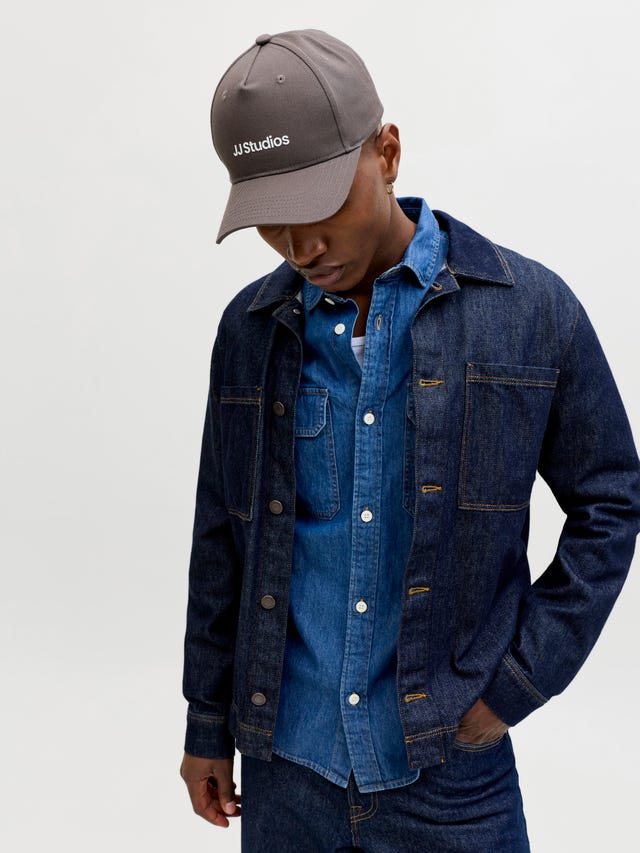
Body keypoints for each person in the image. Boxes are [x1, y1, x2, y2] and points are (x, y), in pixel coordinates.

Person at [179, 29, 640, 852]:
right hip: (284, 774)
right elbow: (222, 532)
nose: (301, 246)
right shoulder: (250, 328)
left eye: (320, 206)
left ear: (387, 153)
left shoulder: (531, 312)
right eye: (272, 222)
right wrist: (206, 720)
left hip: (452, 778)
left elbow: (610, 501)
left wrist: (519, 681)